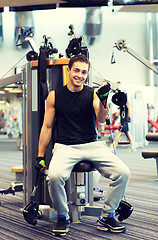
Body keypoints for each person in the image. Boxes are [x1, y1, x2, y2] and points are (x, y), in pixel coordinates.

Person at [35, 54, 130, 237]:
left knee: (123, 173)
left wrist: (103, 100)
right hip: (65, 146)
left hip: (92, 144)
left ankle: (107, 216)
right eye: (76, 70)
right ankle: (63, 217)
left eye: (84, 72)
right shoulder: (54, 96)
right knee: (54, 177)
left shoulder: (92, 94)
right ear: (68, 70)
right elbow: (47, 127)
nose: (80, 75)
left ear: (87, 74)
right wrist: (40, 156)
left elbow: (102, 120)